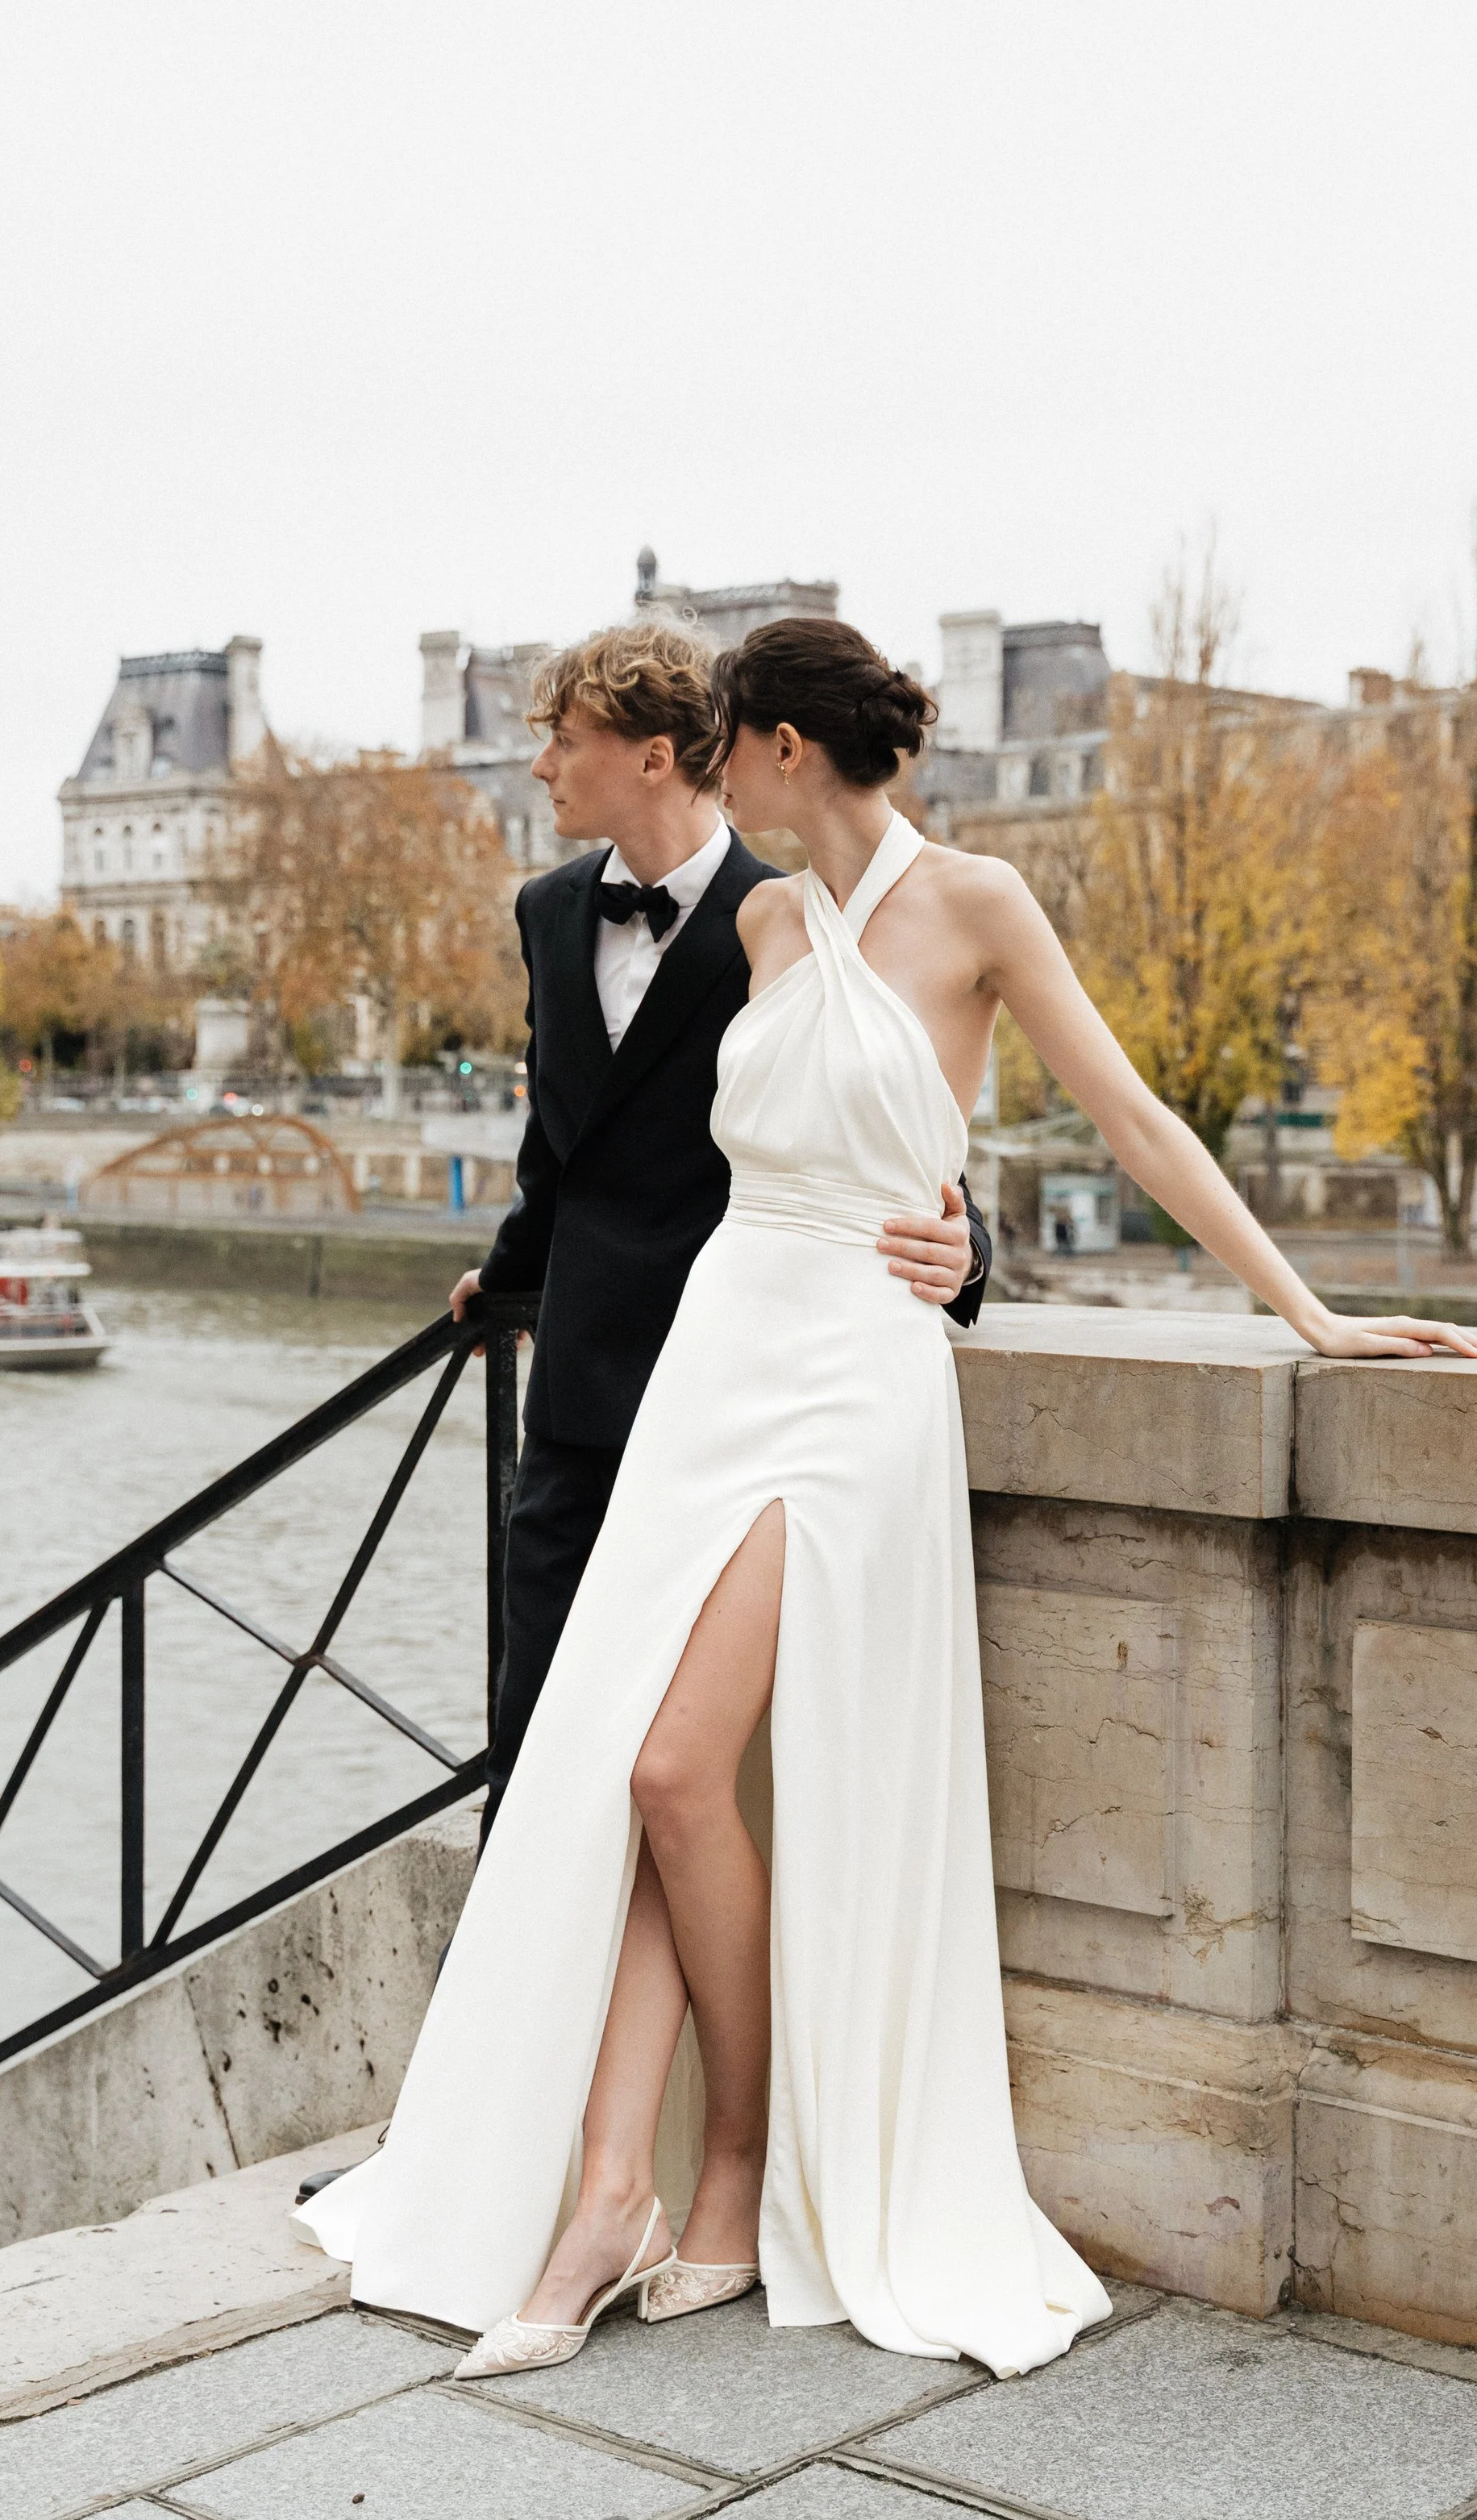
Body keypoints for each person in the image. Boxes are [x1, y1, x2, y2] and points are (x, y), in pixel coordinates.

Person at [294, 618, 1477, 2383]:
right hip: (716, 1352)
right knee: (642, 1762)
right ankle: (621, 2189)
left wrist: (1296, 1308)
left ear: (780, 746)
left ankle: (725, 2174)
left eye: (727, 740)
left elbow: (1132, 1119)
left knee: (673, 1760)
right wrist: (514, 1272)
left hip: (853, 1376)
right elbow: (648, 1149)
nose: (713, 767)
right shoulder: (769, 921)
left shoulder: (980, 902)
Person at [452, 621, 988, 1843]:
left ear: (653, 757)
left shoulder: (790, 914)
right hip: (580, 1391)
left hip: (731, 1400)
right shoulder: (546, 911)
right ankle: (522, 2007)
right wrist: (504, 1278)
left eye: (562, 739)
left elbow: (895, 1126)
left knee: (685, 1766)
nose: (539, 766)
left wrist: (968, 1259)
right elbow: (559, 1142)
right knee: (531, 1736)